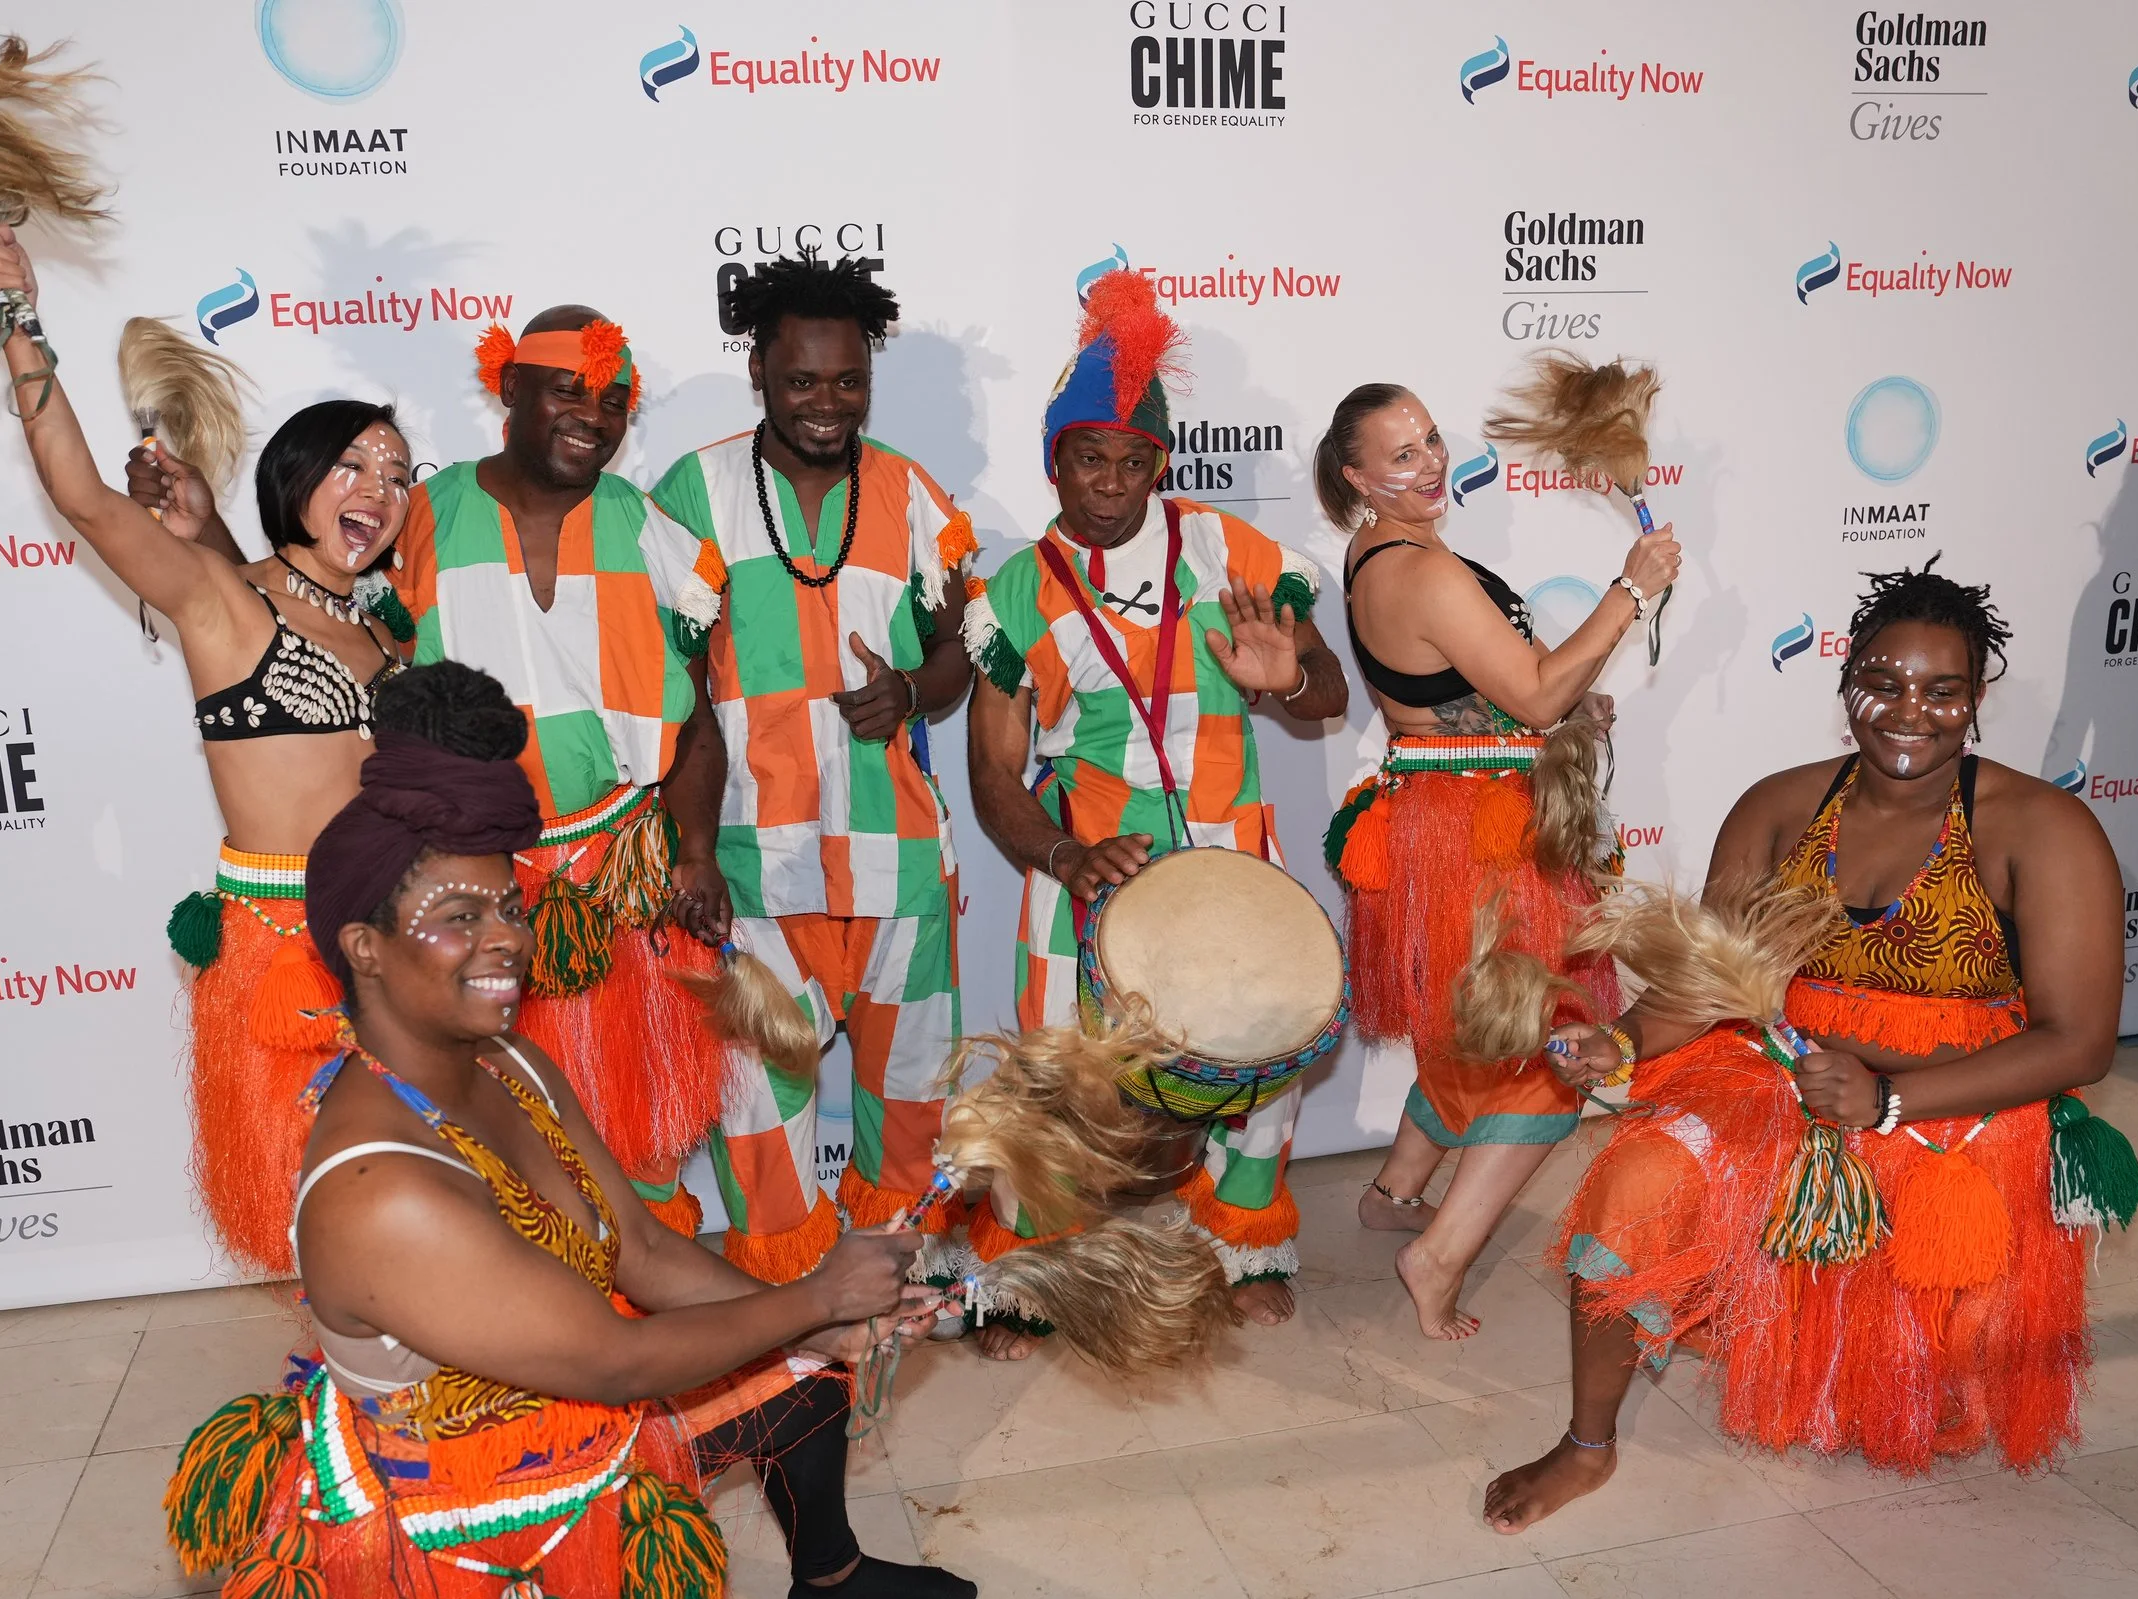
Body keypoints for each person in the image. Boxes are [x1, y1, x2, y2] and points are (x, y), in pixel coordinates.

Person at [164, 662, 975, 1599]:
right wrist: (813, 1302)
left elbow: (635, 1243)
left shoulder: (507, 1056)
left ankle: (833, 1569)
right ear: (363, 946)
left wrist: (830, 1324)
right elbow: (612, 1356)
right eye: (458, 916)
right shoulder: (382, 1192)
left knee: (802, 1383)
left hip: (576, 1457)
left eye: (509, 905)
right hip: (464, 1559)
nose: (506, 939)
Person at [1482, 562, 2124, 1532]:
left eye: (1941, 690)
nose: (1909, 710)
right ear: (1845, 682)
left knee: (1906, 1399)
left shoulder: (2043, 826)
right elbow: (1708, 985)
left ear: (1974, 698)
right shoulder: (1781, 808)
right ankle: (1586, 1443)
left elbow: (2079, 1041)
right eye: (1883, 680)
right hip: (1781, 1068)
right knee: (1634, 1184)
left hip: (1957, 1103)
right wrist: (1616, 1041)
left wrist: (1888, 1101)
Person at [0, 217, 409, 1276]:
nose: (378, 491)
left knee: (417, 1187)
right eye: (351, 465)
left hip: (395, 931)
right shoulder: (220, 597)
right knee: (334, 1215)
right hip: (287, 941)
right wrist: (17, 318)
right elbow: (80, 495)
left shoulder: (383, 627)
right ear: (298, 475)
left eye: (395, 473)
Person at [962, 271, 1347, 1355]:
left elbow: (1327, 695)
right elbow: (991, 765)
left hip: (1232, 854)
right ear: (1055, 460)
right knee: (1054, 1075)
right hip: (1090, 861)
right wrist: (1063, 852)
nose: (1112, 485)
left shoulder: (1233, 552)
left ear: (1160, 464)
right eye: (1091, 458)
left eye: (1136, 462)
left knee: (1263, 1057)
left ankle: (1242, 1241)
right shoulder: (1019, 591)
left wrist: (1285, 681)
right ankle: (1031, 1274)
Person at [1317, 382, 1679, 1339]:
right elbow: (1529, 694)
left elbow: (1485, 691)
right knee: (1548, 1054)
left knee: (1465, 1026)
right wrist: (1632, 589)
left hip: (1443, 822)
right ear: (1357, 477)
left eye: (1431, 438)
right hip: (1480, 840)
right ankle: (1435, 1256)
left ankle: (1397, 1189)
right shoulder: (1423, 569)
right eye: (1400, 455)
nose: (1430, 462)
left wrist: (1564, 709)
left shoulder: (1382, 550)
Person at [651, 253, 979, 1279]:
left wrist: (912, 694)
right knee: (761, 1112)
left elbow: (955, 655)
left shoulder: (915, 495)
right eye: (802, 381)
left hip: (899, 869)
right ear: (758, 372)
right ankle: (787, 1312)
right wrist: (689, 851)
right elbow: (666, 688)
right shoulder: (691, 493)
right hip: (752, 869)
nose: (828, 405)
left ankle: (890, 1293)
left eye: (849, 382)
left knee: (911, 1101)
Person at [380, 303, 735, 1235]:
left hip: (620, 874)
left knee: (639, 1113)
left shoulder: (645, 526)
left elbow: (696, 709)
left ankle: (648, 1300)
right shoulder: (423, 515)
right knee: (506, 1124)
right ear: (509, 388)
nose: (594, 414)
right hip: (479, 879)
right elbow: (312, 614)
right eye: (569, 390)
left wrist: (695, 850)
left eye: (614, 399)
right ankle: (540, 1314)